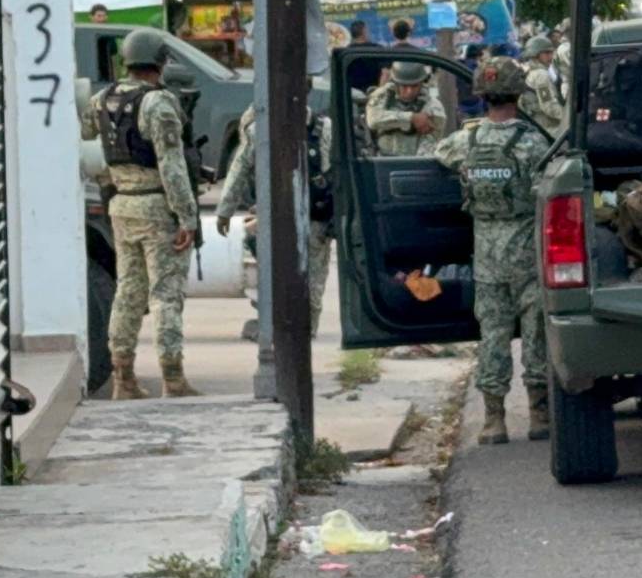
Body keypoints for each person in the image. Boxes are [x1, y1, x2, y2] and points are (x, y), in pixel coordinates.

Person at [435, 57, 550, 445]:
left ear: (482, 97)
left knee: (493, 336)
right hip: (528, 254)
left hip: (486, 257)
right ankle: (538, 414)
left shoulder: (465, 141)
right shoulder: (534, 144)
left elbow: (440, 154)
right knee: (536, 335)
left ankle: (494, 421)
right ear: (518, 95)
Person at [82, 28, 201, 398]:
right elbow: (172, 166)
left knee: (128, 292)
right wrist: (187, 217)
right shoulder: (159, 103)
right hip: (155, 204)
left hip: (121, 204)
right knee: (165, 293)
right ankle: (173, 378)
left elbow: (89, 135)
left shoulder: (102, 99)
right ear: (160, 62)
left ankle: (124, 378)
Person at [215, 103, 338, 336]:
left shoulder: (321, 129)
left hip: (312, 219)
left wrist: (225, 211)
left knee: (309, 287)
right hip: (280, 218)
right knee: (282, 282)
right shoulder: (263, 129)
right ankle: (286, 335)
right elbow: (240, 169)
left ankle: (301, 338)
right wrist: (224, 210)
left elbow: (336, 171)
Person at [367, 60, 446, 156]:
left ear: (421, 83)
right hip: (381, 160)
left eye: (414, 86)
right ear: (395, 83)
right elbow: (373, 120)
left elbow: (431, 142)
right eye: (404, 86)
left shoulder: (432, 104)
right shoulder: (383, 95)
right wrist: (411, 118)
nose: (409, 91)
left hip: (413, 163)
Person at [519, 35, 566, 135]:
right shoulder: (541, 74)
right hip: (547, 128)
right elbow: (548, 106)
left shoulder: (530, 71)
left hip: (535, 124)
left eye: (551, 53)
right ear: (535, 54)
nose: (550, 57)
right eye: (546, 53)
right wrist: (568, 117)